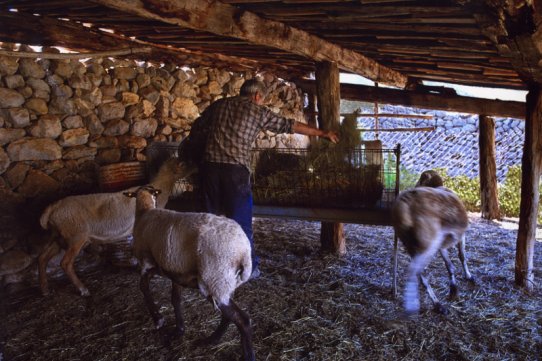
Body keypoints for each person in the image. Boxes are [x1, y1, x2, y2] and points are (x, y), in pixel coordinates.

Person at [187, 78, 339, 279]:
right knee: (240, 223)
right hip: (235, 172)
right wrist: (323, 132)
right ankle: (249, 269)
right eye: (262, 99)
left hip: (209, 169)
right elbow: (290, 125)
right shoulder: (257, 111)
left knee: (209, 220)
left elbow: (197, 127)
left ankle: (203, 265)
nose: (261, 102)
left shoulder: (219, 105)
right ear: (257, 96)